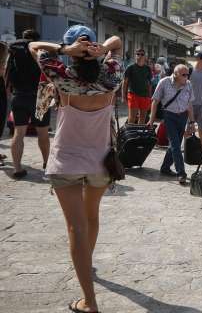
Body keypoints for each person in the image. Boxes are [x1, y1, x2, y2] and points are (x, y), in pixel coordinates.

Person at [29, 25, 123, 313]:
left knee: (75, 226)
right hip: (101, 160)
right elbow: (117, 42)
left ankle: (89, 301)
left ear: (73, 53)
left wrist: (63, 49)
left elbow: (34, 47)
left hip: (67, 160)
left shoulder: (60, 75)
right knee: (91, 216)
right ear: (94, 50)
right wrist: (104, 49)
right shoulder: (111, 76)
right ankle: (86, 263)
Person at [7, 29, 50, 178]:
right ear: (38, 39)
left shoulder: (14, 51)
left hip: (19, 95)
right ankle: (47, 164)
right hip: (40, 96)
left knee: (19, 133)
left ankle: (17, 169)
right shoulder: (41, 51)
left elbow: (8, 73)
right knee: (43, 133)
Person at [147, 64, 196, 184]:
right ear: (175, 74)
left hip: (183, 116)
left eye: (188, 74)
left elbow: (189, 104)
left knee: (176, 144)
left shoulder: (188, 84)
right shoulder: (164, 82)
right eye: (184, 75)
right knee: (175, 145)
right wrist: (151, 119)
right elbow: (155, 101)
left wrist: (192, 121)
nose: (186, 77)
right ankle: (181, 173)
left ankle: (165, 167)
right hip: (169, 116)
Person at [122, 48, 152, 124]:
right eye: (138, 54)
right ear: (135, 56)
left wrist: (150, 97)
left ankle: (139, 134)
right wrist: (123, 97)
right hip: (133, 95)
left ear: (145, 56)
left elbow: (149, 84)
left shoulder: (148, 68)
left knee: (143, 118)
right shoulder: (130, 67)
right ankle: (130, 134)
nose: (140, 56)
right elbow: (125, 83)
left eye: (142, 54)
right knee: (132, 118)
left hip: (145, 96)